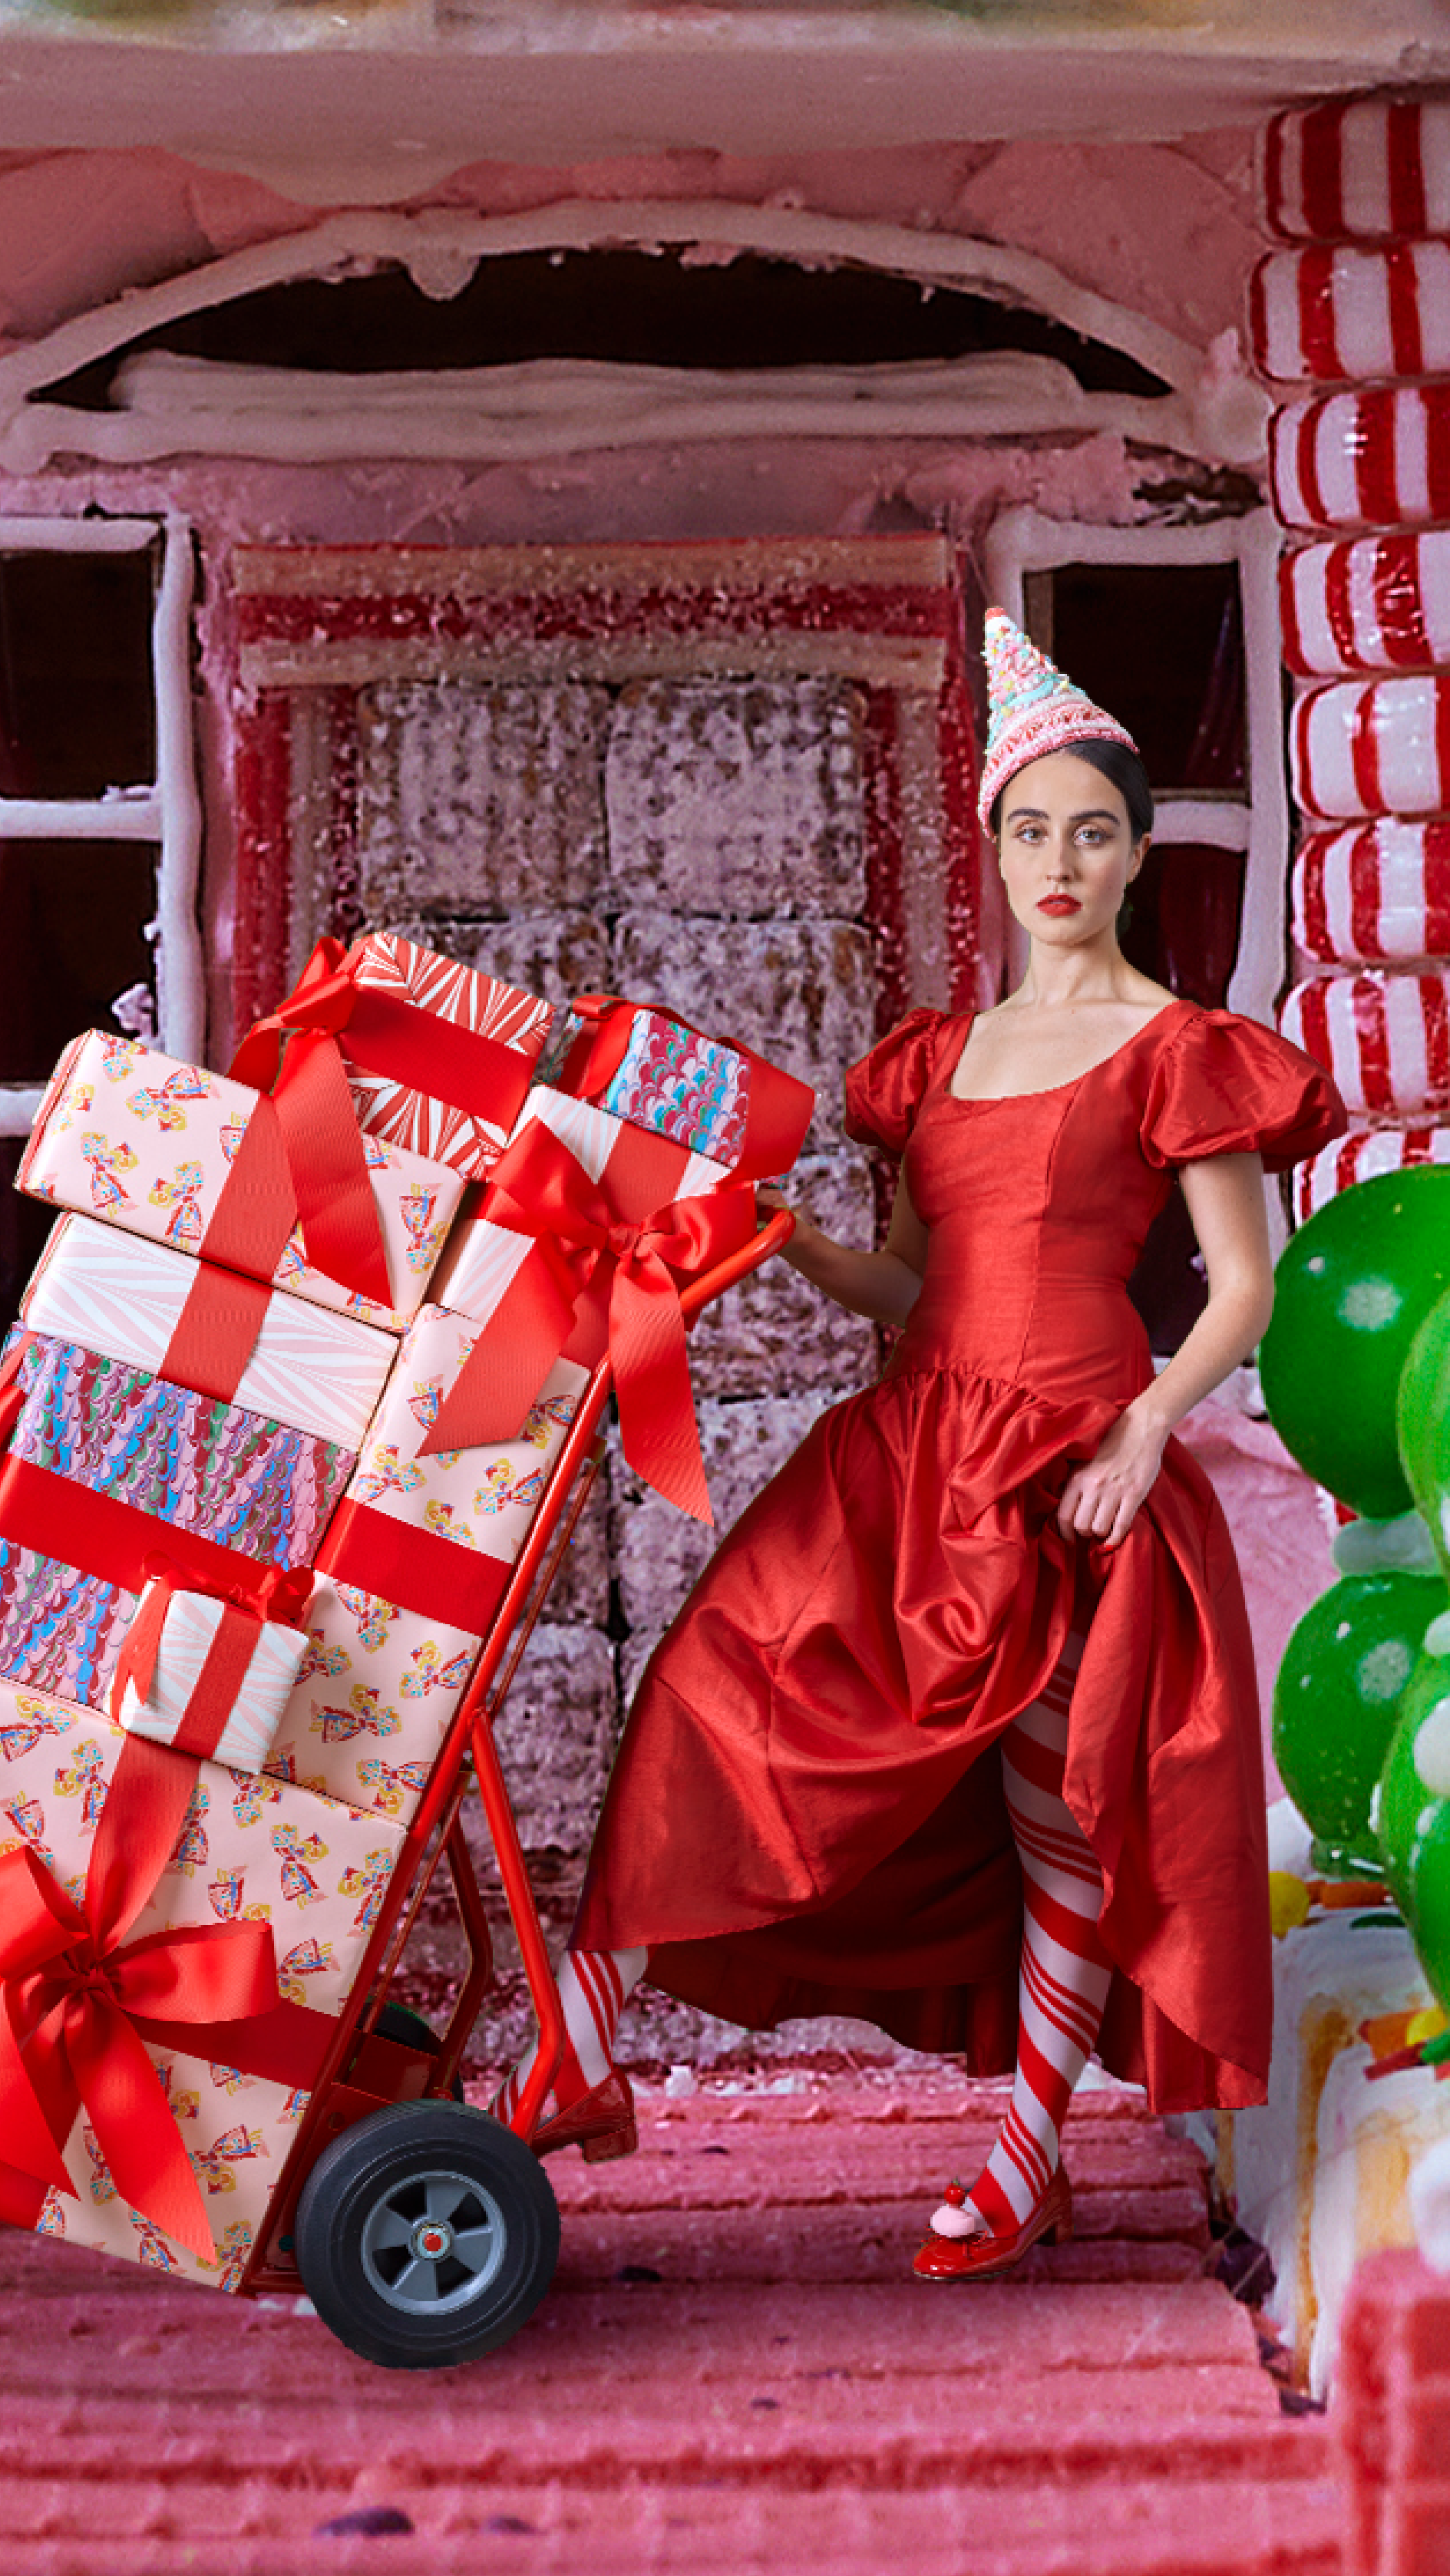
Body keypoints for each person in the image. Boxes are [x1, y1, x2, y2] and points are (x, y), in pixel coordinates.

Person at [494, 608, 1346, 2280]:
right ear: (991, 841)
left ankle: (1025, 2154)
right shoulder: (934, 1058)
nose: (1058, 860)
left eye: (1088, 832)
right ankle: (582, 2039)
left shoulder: (1175, 1051)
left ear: (1131, 849)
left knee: (1060, 1816)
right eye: (1030, 828)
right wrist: (793, 1243)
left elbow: (1236, 1285)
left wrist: (1141, 1430)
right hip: (905, 1452)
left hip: (1067, 1464)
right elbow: (907, 1279)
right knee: (705, 1693)